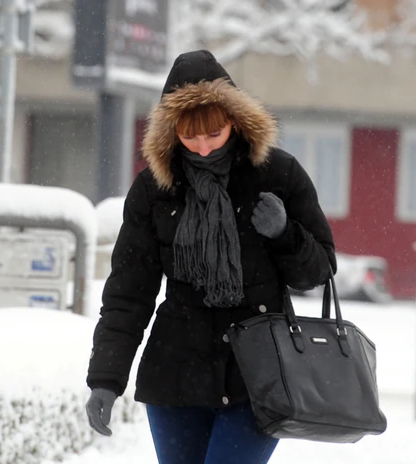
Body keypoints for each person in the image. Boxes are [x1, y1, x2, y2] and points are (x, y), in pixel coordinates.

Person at [84, 50, 337, 464]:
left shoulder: (278, 174)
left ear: (234, 121)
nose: (202, 148)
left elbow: (319, 271)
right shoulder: (154, 190)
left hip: (259, 378)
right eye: (189, 136)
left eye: (213, 134)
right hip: (175, 376)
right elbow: (129, 294)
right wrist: (105, 380)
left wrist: (284, 234)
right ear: (171, 131)